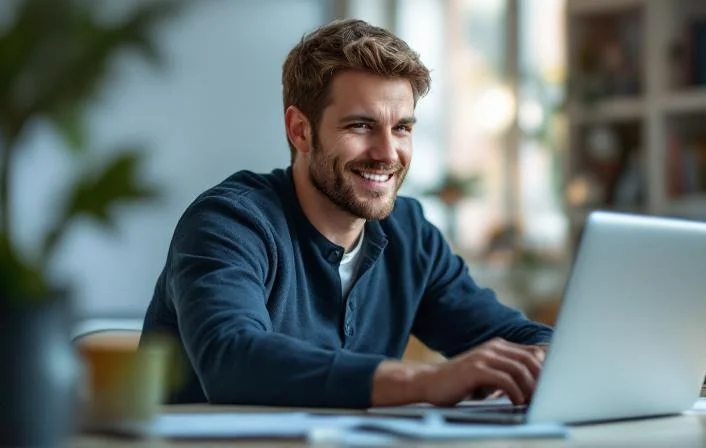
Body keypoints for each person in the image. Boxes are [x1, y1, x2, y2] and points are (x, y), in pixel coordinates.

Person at [142, 18, 553, 409]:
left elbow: (513, 337)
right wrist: (426, 380)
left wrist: (553, 359)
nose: (388, 153)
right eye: (361, 126)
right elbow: (231, 359)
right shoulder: (229, 222)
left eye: (402, 128)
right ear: (300, 130)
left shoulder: (409, 233)